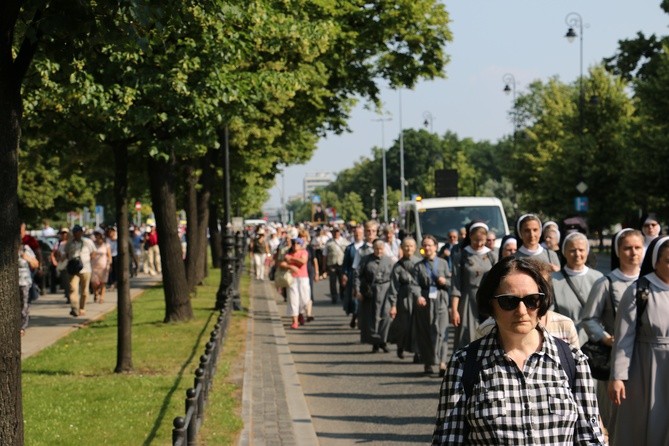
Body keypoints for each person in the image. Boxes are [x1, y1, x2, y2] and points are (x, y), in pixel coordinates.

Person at [432, 256, 605, 444]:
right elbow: (447, 440)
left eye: (532, 300)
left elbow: (590, 438)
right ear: (491, 304)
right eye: (509, 301)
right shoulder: (464, 363)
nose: (522, 310)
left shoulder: (573, 360)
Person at [582, 228, 643, 441]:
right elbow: (589, 319)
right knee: (617, 417)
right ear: (618, 251)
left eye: (637, 247)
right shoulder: (607, 283)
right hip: (616, 359)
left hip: (645, 358)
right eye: (627, 248)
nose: (633, 253)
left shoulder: (651, 282)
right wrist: (605, 337)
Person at [608, 236, 669, 446]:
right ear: (656, 261)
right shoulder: (638, 290)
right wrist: (617, 377)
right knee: (641, 426)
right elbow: (624, 339)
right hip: (645, 368)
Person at [450, 221, 497, 349]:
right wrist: (454, 310)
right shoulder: (461, 256)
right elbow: (456, 285)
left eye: (482, 240)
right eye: (476, 240)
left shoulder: (492, 256)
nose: (479, 244)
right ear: (470, 236)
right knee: (466, 337)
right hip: (467, 301)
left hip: (487, 302)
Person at [551, 232, 603, 346]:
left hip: (595, 341)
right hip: (565, 340)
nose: (577, 254)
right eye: (572, 250)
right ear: (564, 252)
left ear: (587, 251)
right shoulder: (553, 280)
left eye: (581, 250)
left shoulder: (599, 278)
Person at [413, 234, 451, 375]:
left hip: (441, 300)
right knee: (426, 332)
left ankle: (442, 362)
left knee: (442, 331)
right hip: (425, 301)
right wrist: (418, 296)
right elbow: (414, 284)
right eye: (425, 245)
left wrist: (445, 281)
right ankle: (428, 362)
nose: (427, 247)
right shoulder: (418, 265)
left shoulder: (443, 263)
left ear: (435, 247)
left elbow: (451, 282)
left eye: (430, 245)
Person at [355, 239, 394, 352]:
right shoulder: (366, 260)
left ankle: (383, 340)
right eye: (376, 248)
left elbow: (394, 277)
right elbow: (357, 275)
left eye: (381, 249)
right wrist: (358, 290)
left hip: (386, 291)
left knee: (385, 317)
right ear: (373, 248)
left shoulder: (389, 261)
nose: (379, 251)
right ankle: (375, 342)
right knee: (372, 317)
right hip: (371, 291)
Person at [388, 236, 420, 359]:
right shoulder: (397, 266)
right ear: (402, 248)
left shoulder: (419, 263)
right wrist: (393, 305)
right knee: (403, 326)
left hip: (417, 298)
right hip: (403, 299)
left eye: (411, 246)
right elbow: (393, 286)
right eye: (406, 246)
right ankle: (400, 346)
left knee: (417, 326)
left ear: (415, 248)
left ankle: (418, 351)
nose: (408, 248)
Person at [65, 224, 96, 317]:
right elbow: (67, 254)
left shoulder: (87, 242)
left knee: (84, 291)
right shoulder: (69, 243)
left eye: (78, 232)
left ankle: (82, 308)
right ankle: (75, 308)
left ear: (81, 232)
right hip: (73, 269)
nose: (76, 234)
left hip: (85, 269)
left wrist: (87, 261)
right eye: (74, 232)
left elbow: (93, 252)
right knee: (73, 289)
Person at [281, 237, 311, 329]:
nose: (295, 245)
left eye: (297, 243)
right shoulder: (288, 253)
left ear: (301, 245)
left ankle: (301, 313)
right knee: (293, 299)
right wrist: (291, 266)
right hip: (292, 278)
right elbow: (282, 263)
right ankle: (295, 321)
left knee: (304, 299)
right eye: (294, 243)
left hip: (303, 278)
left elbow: (303, 261)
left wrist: (291, 259)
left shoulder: (304, 252)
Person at [19, 234, 39, 335]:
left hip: (24, 281)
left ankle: (22, 326)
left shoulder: (26, 249)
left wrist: (27, 258)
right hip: (13, 282)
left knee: (24, 304)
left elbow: (36, 264)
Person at [324, 228, 348, 303]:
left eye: (337, 232)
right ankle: (334, 297)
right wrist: (324, 265)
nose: (336, 233)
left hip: (342, 264)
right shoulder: (328, 242)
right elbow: (324, 254)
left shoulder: (345, 242)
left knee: (342, 281)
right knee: (332, 282)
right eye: (334, 232)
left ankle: (342, 295)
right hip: (332, 264)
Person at [90, 228, 112, 303]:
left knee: (103, 282)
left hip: (104, 266)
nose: (97, 237)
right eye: (96, 235)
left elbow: (109, 256)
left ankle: (102, 297)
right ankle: (96, 293)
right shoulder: (92, 244)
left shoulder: (106, 245)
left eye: (99, 235)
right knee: (94, 283)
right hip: (94, 266)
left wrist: (109, 264)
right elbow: (90, 255)